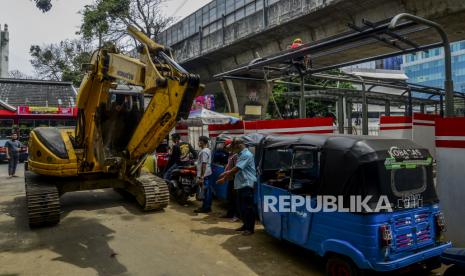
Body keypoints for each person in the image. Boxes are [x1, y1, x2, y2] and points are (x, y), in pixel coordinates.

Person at [222, 138, 257, 236]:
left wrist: (224, 175)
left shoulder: (246, 155)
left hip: (247, 183)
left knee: (248, 207)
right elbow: (229, 150)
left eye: (234, 147)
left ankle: (250, 228)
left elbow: (237, 168)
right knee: (241, 207)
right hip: (241, 184)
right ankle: (245, 225)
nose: (233, 149)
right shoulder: (239, 154)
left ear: (239, 145)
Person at [216, 139, 239, 220]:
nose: (226, 148)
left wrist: (225, 176)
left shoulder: (236, 155)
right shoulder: (230, 154)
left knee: (235, 198)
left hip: (235, 179)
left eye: (227, 146)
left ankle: (236, 215)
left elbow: (236, 168)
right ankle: (230, 213)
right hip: (230, 178)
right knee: (230, 197)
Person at [194, 136, 213, 213]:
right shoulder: (207, 150)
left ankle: (206, 208)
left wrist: (202, 176)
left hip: (204, 174)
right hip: (207, 173)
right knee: (207, 190)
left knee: (205, 191)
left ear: (203, 142)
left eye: (199, 141)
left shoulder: (204, 152)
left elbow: (204, 164)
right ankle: (207, 206)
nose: (198, 143)